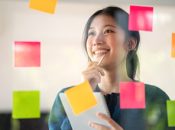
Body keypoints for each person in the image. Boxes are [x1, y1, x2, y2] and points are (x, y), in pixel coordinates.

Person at [48, 6, 175, 130]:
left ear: (130, 43)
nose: (96, 40)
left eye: (108, 31)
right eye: (91, 33)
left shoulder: (156, 96)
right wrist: (83, 93)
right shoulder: (64, 97)